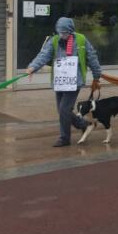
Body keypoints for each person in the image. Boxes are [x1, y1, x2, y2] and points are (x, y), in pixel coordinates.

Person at [27, 17, 103, 147]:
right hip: (60, 81)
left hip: (74, 81)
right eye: (60, 32)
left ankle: (64, 138)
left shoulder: (81, 40)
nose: (63, 35)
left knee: (64, 109)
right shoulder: (54, 41)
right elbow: (44, 55)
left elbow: (92, 57)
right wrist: (33, 67)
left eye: (65, 32)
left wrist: (97, 76)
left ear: (71, 31)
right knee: (62, 110)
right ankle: (83, 124)